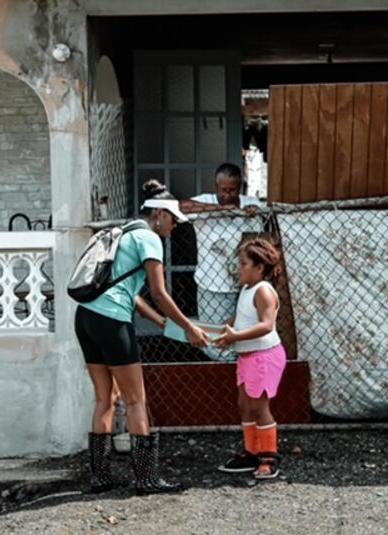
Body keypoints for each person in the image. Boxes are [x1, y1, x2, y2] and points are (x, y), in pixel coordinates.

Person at [75, 180, 211, 495]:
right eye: (174, 220)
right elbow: (160, 293)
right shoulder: (150, 238)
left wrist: (161, 322)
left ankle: (100, 478)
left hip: (85, 317)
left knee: (103, 399)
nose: (175, 227)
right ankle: (147, 479)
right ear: (160, 214)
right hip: (111, 322)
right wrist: (188, 327)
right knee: (137, 399)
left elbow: (129, 292)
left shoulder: (123, 233)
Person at [215, 238, 287, 479]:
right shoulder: (247, 289)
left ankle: (269, 456)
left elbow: (266, 325)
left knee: (259, 407)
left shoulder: (264, 291)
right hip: (247, 357)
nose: (239, 268)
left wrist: (235, 336)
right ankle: (251, 452)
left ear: (259, 268)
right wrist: (223, 333)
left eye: (244, 264)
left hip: (264, 356)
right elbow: (239, 319)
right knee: (244, 405)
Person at [180, 163, 265, 361]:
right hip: (213, 286)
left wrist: (252, 210)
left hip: (246, 285)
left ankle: (240, 371)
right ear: (216, 186)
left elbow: (264, 214)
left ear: (240, 187)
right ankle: (226, 370)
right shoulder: (205, 201)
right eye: (223, 190)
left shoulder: (248, 203)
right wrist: (219, 209)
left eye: (232, 190)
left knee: (244, 335)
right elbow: (180, 206)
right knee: (215, 341)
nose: (227, 194)